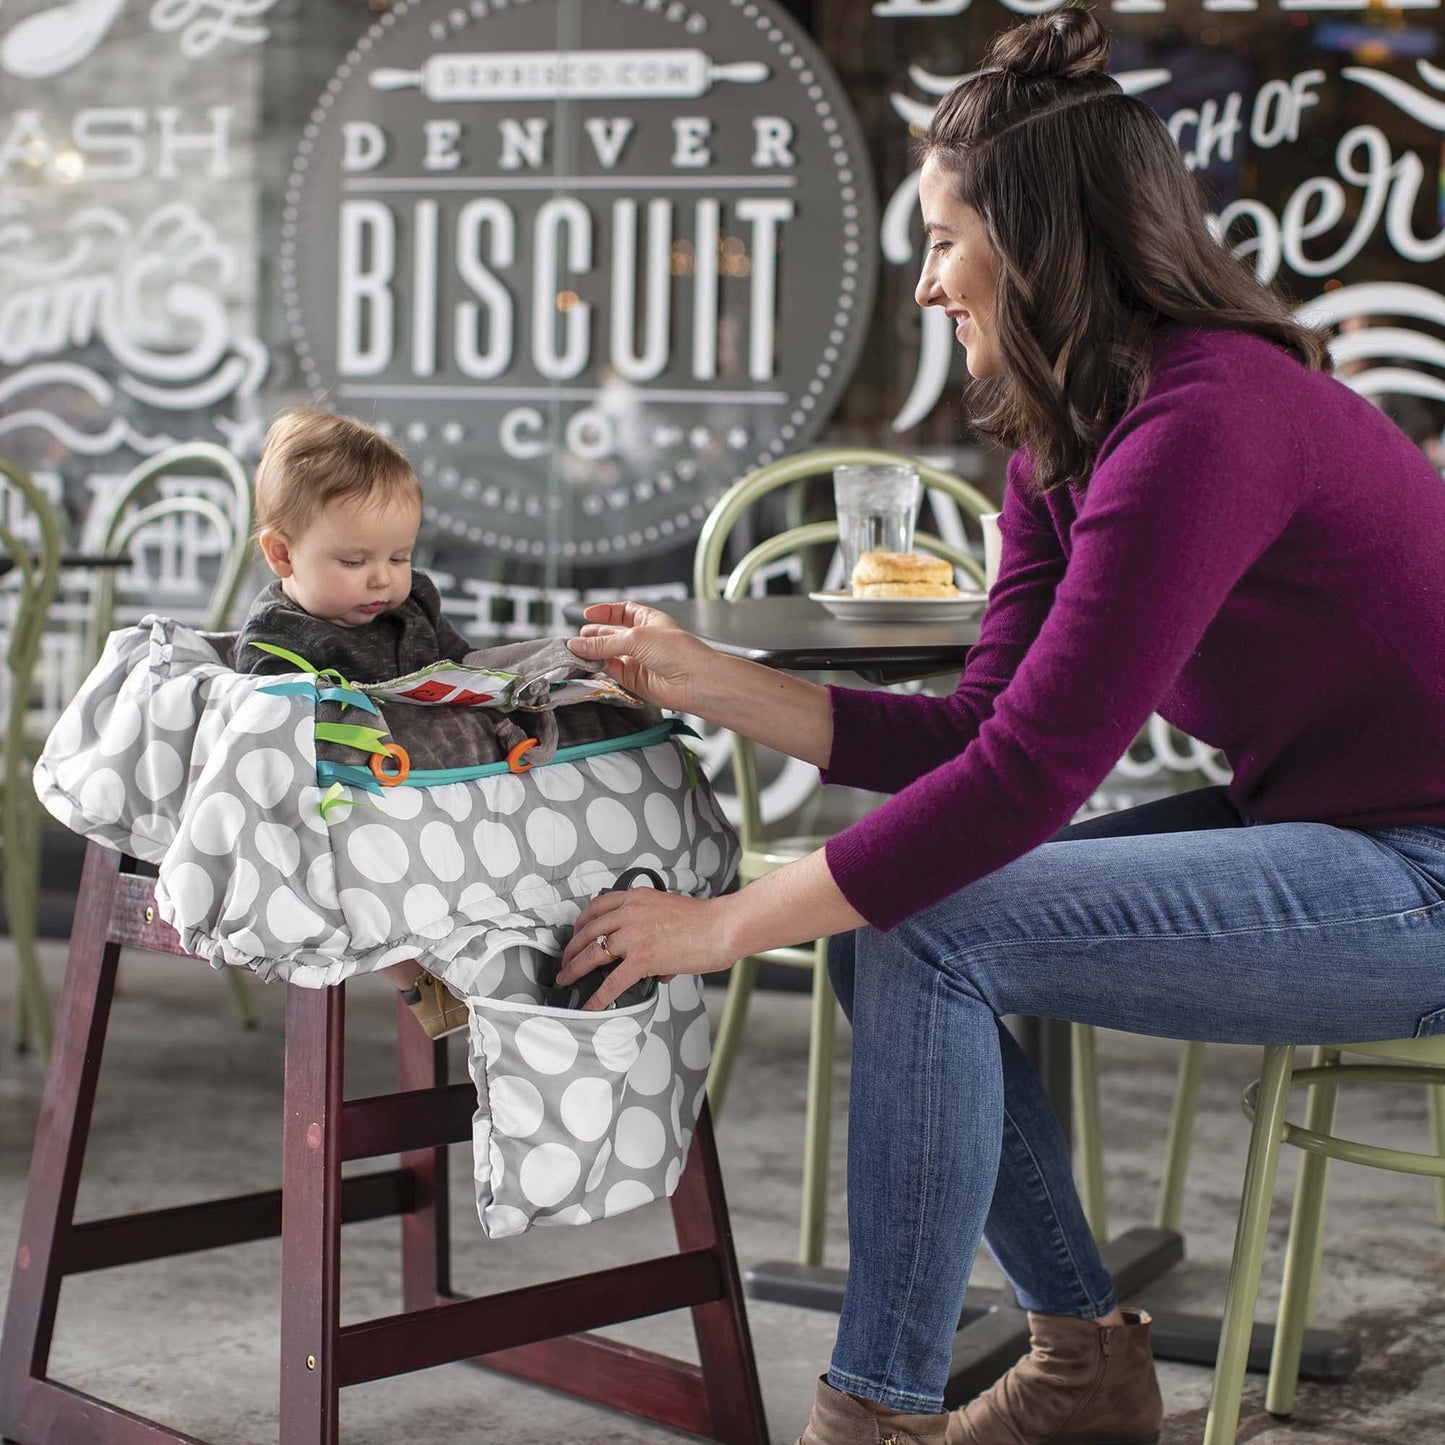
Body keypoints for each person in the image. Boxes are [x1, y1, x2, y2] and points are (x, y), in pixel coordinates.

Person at [555, 9, 1445, 1445]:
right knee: (889, 918)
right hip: (1328, 828)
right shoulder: (1071, 428)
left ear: (1038, 248)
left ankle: (876, 1418)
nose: (922, 286)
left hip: (1423, 877)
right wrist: (709, 675)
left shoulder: (1208, 418)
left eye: (944, 240)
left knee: (914, 919)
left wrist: (716, 925)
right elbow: (980, 725)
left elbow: (1029, 778)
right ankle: (1085, 1364)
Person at [237, 409, 474, 1038]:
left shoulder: (413, 603)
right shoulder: (277, 638)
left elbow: (463, 666)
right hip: (343, 811)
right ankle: (416, 976)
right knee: (349, 865)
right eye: (354, 561)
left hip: (437, 792)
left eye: (399, 555)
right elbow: (269, 736)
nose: (383, 579)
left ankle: (491, 952)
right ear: (283, 555)